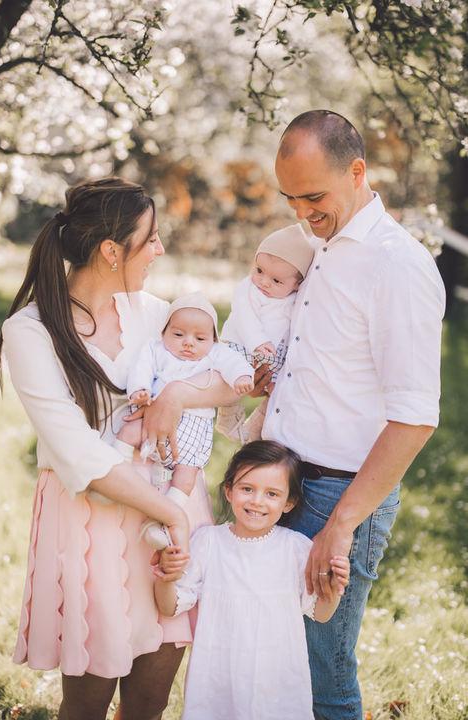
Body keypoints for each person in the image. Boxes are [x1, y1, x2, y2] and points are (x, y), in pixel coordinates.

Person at [0, 176, 239, 720]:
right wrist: (170, 515)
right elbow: (77, 452)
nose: (160, 249)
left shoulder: (154, 314)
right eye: (150, 239)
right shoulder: (30, 331)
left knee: (151, 698)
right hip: (94, 519)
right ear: (112, 251)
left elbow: (229, 378)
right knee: (87, 701)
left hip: (171, 504)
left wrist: (178, 394)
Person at [258, 110, 446, 720]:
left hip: (338, 497)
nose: (301, 213)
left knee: (325, 678)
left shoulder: (397, 265)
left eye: (314, 197)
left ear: (357, 171)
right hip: (282, 482)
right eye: (290, 198)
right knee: (275, 665)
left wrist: (341, 525)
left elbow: (415, 417)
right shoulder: (321, 244)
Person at [153, 441, 350, 720]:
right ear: (229, 490)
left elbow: (320, 613)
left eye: (272, 494)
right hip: (218, 681)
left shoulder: (296, 549)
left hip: (276, 684)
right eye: (247, 489)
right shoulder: (208, 542)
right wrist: (167, 577)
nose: (257, 501)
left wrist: (334, 587)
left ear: (289, 502)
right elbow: (170, 606)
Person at [115, 291, 254, 549]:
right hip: (155, 415)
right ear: (164, 332)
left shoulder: (215, 354)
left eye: (199, 338)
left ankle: (166, 518)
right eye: (178, 335)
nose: (188, 343)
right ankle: (116, 474)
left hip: (193, 427)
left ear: (213, 339)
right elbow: (141, 368)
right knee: (128, 433)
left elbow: (234, 363)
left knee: (186, 476)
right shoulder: (156, 349)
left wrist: (241, 376)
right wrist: (140, 390)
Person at [215, 223, 314, 442]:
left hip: (274, 354)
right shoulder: (249, 289)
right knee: (234, 376)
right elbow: (244, 316)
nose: (264, 282)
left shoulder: (294, 300)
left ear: (297, 284)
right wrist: (257, 341)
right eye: (259, 270)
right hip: (243, 345)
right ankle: (227, 417)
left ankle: (258, 428)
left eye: (276, 280)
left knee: (279, 392)